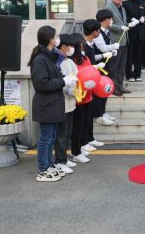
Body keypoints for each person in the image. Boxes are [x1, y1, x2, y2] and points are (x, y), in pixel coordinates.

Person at [29, 26, 75, 182]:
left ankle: (48, 165)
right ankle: (43, 169)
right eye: (56, 36)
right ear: (50, 39)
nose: (58, 38)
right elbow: (41, 84)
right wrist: (63, 81)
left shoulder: (49, 57)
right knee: (46, 138)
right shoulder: (40, 59)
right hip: (46, 105)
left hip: (53, 104)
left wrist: (66, 79)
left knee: (51, 136)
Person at [54, 34, 78, 175]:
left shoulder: (69, 61)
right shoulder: (58, 61)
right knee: (62, 133)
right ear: (63, 47)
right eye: (70, 46)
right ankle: (60, 161)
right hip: (62, 101)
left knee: (68, 131)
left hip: (71, 100)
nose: (72, 49)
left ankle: (64, 157)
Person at [82, 21, 107, 152]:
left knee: (90, 112)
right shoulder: (82, 45)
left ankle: (90, 138)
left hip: (92, 82)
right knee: (85, 116)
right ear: (95, 32)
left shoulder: (90, 45)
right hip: (85, 84)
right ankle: (84, 141)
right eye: (98, 31)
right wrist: (93, 67)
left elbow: (92, 59)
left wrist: (102, 56)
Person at [69, 33, 94, 164]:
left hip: (88, 96)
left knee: (84, 123)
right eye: (81, 43)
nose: (83, 45)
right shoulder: (70, 61)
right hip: (77, 97)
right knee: (76, 126)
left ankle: (82, 145)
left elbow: (90, 73)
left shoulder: (85, 59)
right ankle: (76, 152)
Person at [94, 9, 119, 121]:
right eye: (110, 19)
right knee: (100, 88)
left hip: (105, 64)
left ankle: (103, 112)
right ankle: (99, 114)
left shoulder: (106, 31)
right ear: (104, 20)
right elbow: (102, 48)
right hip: (99, 65)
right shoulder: (98, 32)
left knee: (105, 87)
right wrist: (114, 46)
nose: (111, 21)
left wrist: (112, 51)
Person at [106, 0, 130, 95]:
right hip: (114, 41)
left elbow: (123, 23)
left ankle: (120, 85)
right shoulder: (108, 8)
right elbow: (107, 24)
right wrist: (120, 28)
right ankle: (114, 87)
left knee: (121, 66)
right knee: (114, 66)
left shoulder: (122, 8)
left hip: (124, 41)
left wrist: (129, 24)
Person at [123, 0, 145, 82]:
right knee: (130, 55)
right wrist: (131, 19)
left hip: (140, 33)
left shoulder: (142, 3)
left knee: (138, 54)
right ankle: (129, 75)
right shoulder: (125, 3)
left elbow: (144, 15)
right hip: (131, 32)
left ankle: (137, 74)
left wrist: (143, 18)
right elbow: (125, 17)